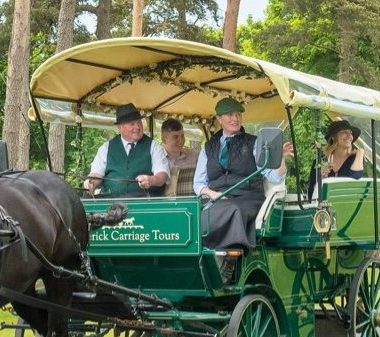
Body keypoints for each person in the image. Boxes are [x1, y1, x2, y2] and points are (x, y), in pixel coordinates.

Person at [193, 97, 294, 250]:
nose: (235, 118)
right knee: (193, 212)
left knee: (233, 209)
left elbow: (275, 176)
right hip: (216, 199)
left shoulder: (254, 143)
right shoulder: (208, 147)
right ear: (219, 118)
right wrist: (212, 194)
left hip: (248, 198)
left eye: (238, 114)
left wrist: (278, 157)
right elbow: (199, 184)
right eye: (230, 115)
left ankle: (231, 255)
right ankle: (196, 250)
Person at [83, 103, 169, 197]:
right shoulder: (106, 148)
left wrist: (151, 180)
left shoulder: (154, 146)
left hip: (143, 202)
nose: (137, 127)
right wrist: (91, 182)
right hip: (110, 203)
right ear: (119, 127)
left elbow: (162, 175)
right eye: (132, 124)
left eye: (139, 122)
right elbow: (96, 173)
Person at [307, 119, 365, 199]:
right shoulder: (321, 161)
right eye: (344, 132)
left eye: (350, 133)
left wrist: (361, 152)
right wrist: (321, 179)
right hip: (324, 208)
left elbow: (354, 178)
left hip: (346, 206)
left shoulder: (354, 159)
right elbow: (311, 194)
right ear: (333, 137)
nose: (349, 136)